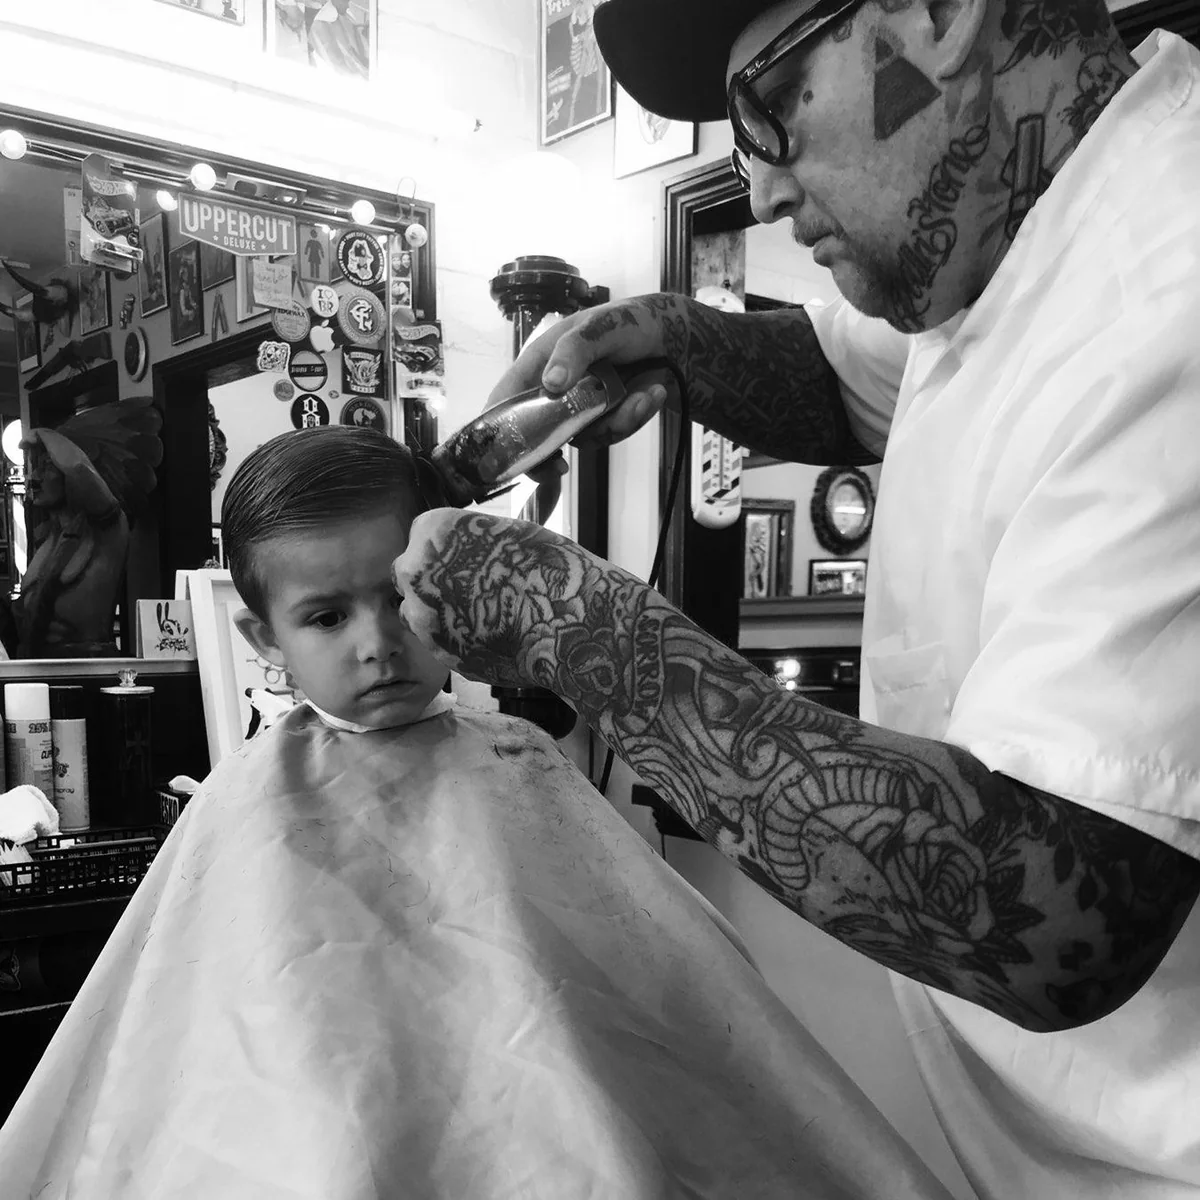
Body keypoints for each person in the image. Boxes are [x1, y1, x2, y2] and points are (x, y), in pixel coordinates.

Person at [392, 2, 1200, 1197]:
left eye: (767, 107)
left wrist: (583, 627)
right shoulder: (1004, 241)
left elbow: (1058, 914)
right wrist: (664, 338)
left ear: (937, 15)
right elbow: (841, 377)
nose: (761, 192)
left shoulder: (1169, 292)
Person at [0, 426, 952, 1200]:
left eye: (398, 598)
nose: (378, 643)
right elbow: (223, 1042)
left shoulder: (519, 759)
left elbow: (663, 986)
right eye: (328, 617)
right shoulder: (245, 799)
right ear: (263, 636)